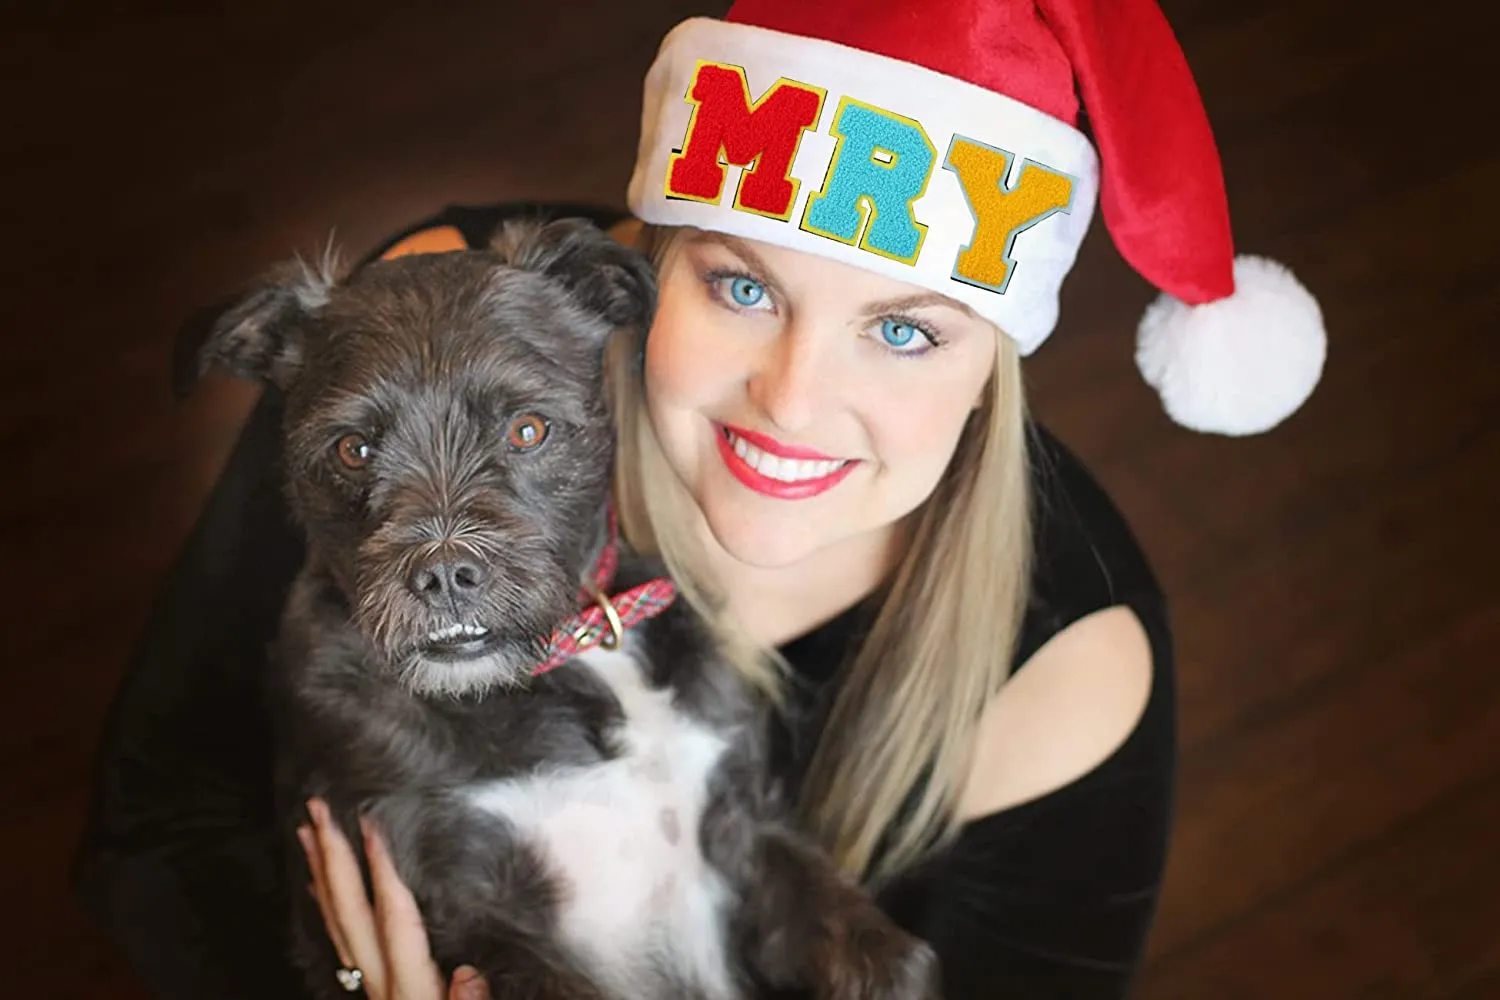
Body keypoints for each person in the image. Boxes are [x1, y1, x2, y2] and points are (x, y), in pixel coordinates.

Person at [72, 0, 1327, 998]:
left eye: (902, 330)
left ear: (994, 369)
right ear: (640, 272)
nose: (790, 396)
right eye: (742, 287)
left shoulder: (1068, 656)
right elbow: (157, 825)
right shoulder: (433, 328)